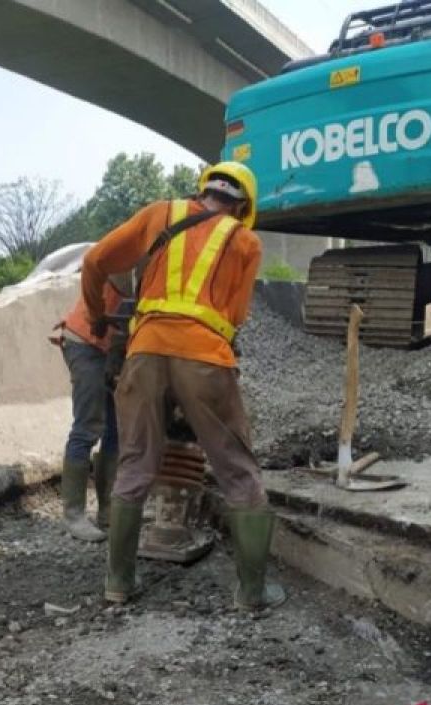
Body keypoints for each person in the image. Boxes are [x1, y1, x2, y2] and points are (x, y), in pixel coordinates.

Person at [79, 161, 285, 610]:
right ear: (243, 205)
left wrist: (98, 318)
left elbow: (95, 261)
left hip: (145, 350)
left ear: (203, 191)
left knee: (135, 463)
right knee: (238, 470)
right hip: (206, 358)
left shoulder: (160, 214)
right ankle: (252, 592)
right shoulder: (245, 240)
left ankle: (118, 584)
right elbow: (237, 317)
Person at [51, 274, 132, 542]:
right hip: (85, 343)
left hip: (112, 349)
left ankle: (107, 510)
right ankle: (73, 515)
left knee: (116, 428)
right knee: (88, 426)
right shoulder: (134, 256)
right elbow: (127, 298)